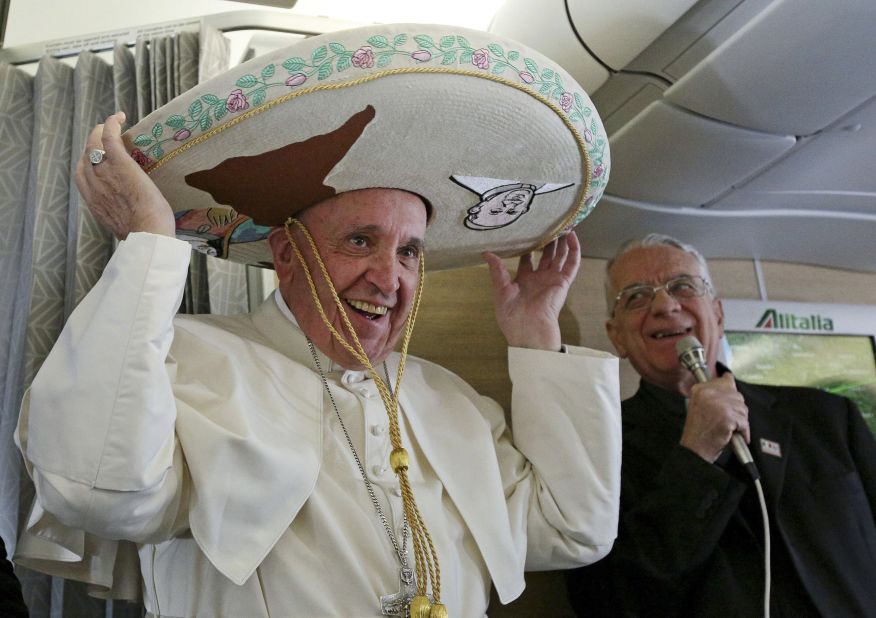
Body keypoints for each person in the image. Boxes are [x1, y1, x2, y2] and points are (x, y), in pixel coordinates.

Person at [14, 24, 620, 617]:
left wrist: (536, 337)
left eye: (409, 251)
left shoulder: (454, 402)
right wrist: (151, 242)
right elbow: (94, 490)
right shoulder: (184, 360)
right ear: (286, 254)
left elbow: (571, 532)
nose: (390, 278)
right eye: (360, 241)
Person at [567, 233, 876, 617]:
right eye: (636, 296)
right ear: (618, 338)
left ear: (718, 314)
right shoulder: (597, 450)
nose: (664, 305)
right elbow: (612, 602)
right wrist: (695, 457)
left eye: (682, 286)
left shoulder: (828, 417)